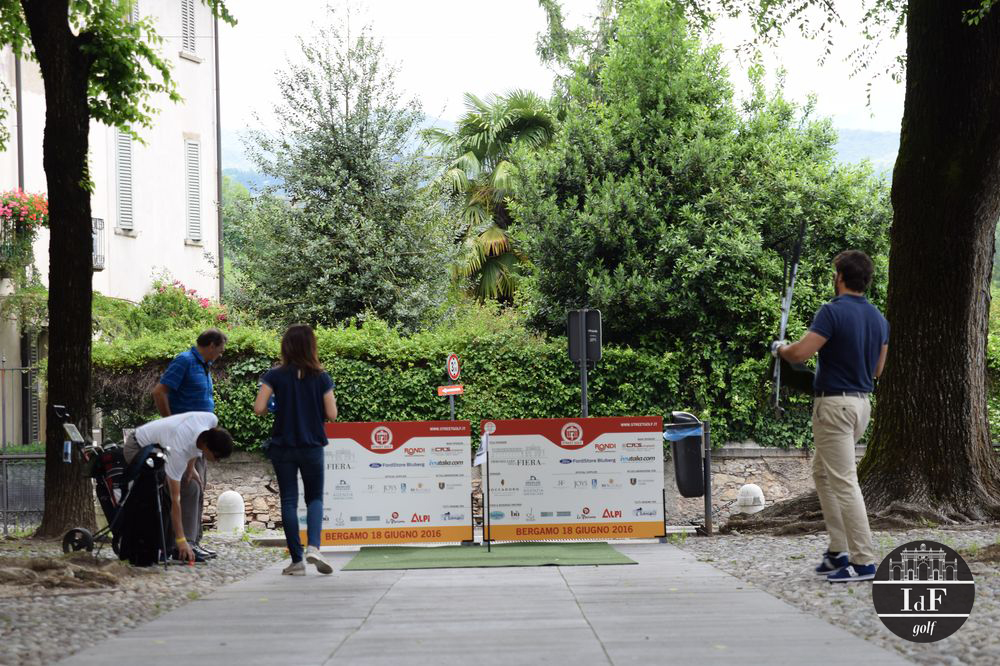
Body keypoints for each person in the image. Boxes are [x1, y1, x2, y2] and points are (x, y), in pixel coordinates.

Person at [773, 250, 888, 583]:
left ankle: (864, 562)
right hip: (861, 406)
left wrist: (779, 348)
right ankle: (838, 550)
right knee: (822, 473)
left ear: (839, 277)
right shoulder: (879, 319)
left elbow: (800, 353)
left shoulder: (832, 312)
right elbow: (878, 370)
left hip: (834, 407)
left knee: (844, 481)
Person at [254, 324, 338, 576]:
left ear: (286, 346)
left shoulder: (274, 375)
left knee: (289, 500)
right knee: (315, 498)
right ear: (312, 346)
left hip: (283, 446)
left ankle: (297, 561)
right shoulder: (321, 377)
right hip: (312, 446)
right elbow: (332, 413)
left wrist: (276, 405)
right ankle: (314, 547)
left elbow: (259, 408)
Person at [152, 328, 227, 561]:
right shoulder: (184, 361)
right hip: (184, 440)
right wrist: (171, 424)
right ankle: (183, 545)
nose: (221, 354)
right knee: (188, 487)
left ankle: (193, 542)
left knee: (197, 487)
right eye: (220, 350)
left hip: (200, 440)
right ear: (211, 345)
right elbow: (159, 392)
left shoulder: (204, 366)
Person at [124, 412, 234, 563]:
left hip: (161, 449)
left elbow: (195, 443)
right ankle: (167, 545)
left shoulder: (210, 420)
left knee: (192, 487)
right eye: (217, 457)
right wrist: (180, 539)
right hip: (138, 448)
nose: (217, 461)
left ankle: (186, 543)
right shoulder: (179, 451)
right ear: (207, 446)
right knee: (163, 492)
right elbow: (176, 500)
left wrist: (191, 468)